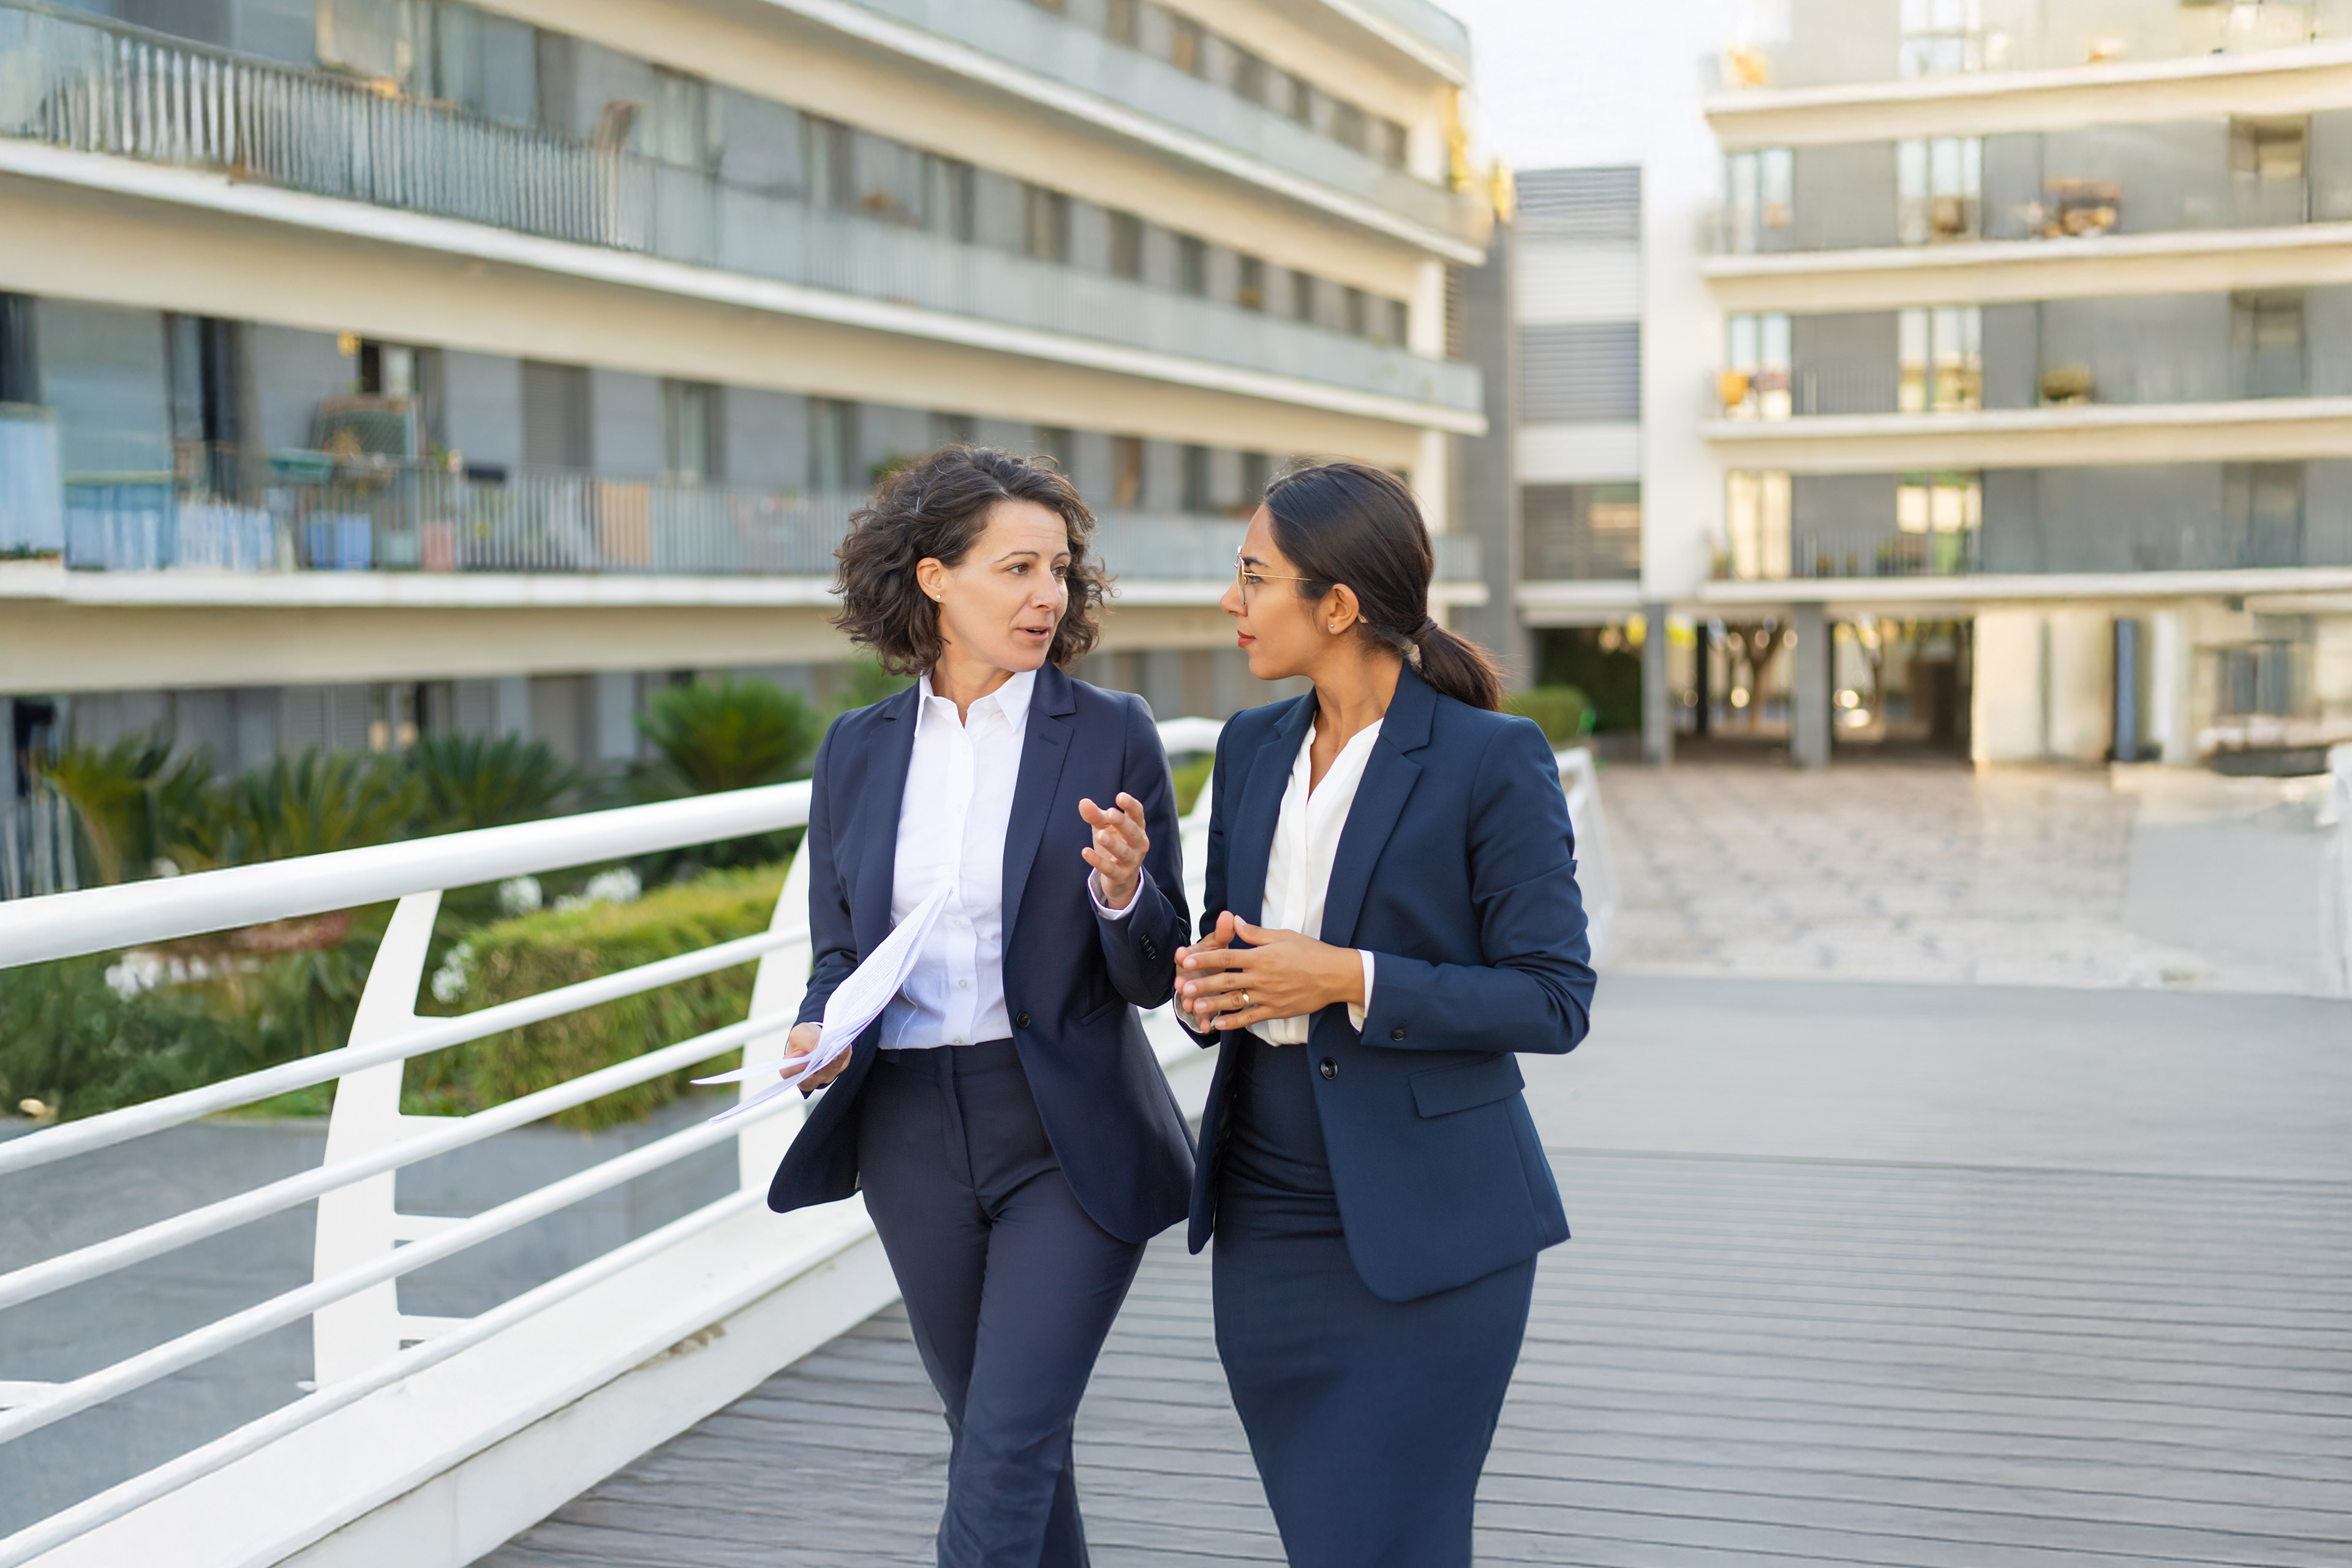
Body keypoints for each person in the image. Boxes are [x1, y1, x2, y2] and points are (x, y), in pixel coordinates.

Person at [766, 445, 1194, 1567]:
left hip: (1064, 1129)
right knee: (996, 1440)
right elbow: (840, 950)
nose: (1047, 594)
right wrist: (820, 1027)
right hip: (907, 1128)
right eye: (1016, 567)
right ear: (934, 579)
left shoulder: (1110, 735)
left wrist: (1123, 889)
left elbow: (1157, 969)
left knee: (1006, 1447)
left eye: (1060, 568)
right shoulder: (856, 753)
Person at [1172, 461, 1595, 1568]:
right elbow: (1239, 963)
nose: (1233, 601)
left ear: (1339, 606)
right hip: (1266, 1210)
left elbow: (1555, 997)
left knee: (1399, 1538)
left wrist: (1350, 978)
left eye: (1254, 577)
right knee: (1327, 1537)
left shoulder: (1490, 759)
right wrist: (1207, 990)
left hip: (1436, 1227)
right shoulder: (1251, 747)